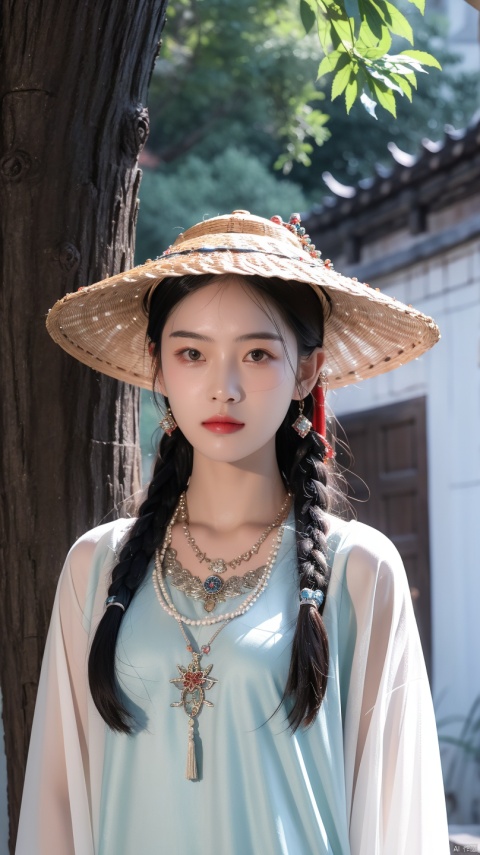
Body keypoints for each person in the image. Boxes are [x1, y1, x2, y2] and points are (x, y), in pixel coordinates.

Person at [16, 210, 449, 854]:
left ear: (306, 372)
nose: (222, 388)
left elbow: (396, 816)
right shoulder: (96, 565)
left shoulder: (358, 569)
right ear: (159, 369)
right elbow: (55, 804)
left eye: (256, 354)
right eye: (192, 353)